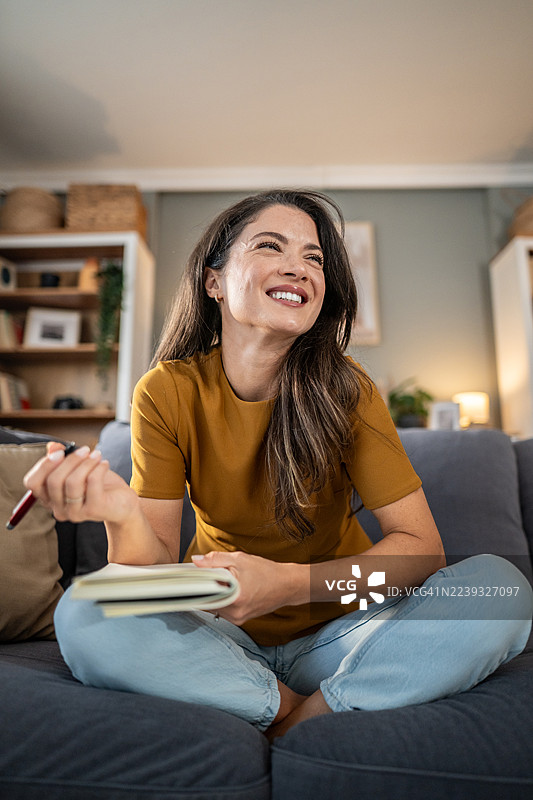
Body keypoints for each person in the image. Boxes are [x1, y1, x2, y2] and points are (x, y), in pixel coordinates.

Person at [24, 189, 532, 739]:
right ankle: (286, 705)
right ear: (213, 280)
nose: (300, 268)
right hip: (218, 638)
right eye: (271, 246)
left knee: (499, 589)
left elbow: (421, 550)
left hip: (343, 632)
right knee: (84, 609)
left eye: (314, 258)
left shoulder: (349, 391)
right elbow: (149, 577)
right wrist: (122, 513)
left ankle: (305, 713)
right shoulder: (166, 392)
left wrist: (289, 584)